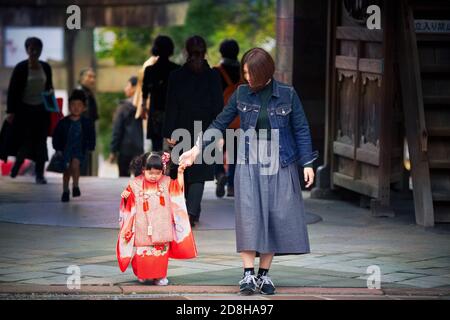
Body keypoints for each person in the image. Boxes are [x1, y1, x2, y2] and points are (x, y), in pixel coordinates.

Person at [180, 48, 318, 295]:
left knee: (274, 215)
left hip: (280, 161)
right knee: (249, 215)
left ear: (265, 72)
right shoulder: (241, 93)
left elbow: (301, 129)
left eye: (250, 73)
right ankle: (247, 274)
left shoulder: (287, 94)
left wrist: (307, 164)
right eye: (244, 73)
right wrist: (195, 149)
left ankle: (264, 275)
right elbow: (219, 123)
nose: (247, 78)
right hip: (248, 160)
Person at [163, 35, 224, 227]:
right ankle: (192, 213)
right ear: (205, 52)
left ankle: (184, 211)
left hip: (180, 128)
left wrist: (168, 132)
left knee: (181, 170)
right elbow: (218, 106)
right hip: (206, 130)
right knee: (200, 173)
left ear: (186, 52)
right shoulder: (213, 75)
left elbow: (171, 106)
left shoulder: (175, 75)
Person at [117, 152, 197, 285]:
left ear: (163, 171)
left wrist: (180, 173)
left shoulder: (166, 182)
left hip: (162, 224)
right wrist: (125, 196)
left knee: (161, 252)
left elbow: (178, 189)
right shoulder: (135, 183)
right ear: (143, 169)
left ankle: (160, 276)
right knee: (144, 250)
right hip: (142, 224)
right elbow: (128, 201)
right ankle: (143, 273)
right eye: (150, 172)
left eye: (157, 173)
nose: (154, 176)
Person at [6, 37, 54, 184]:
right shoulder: (20, 67)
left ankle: (40, 174)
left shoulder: (45, 67)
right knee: (25, 142)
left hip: (41, 110)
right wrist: (11, 112)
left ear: (41, 50)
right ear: (27, 50)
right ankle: (18, 164)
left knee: (41, 142)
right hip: (24, 110)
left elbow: (49, 87)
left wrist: (53, 109)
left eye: (37, 49)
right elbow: (12, 90)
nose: (34, 51)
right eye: (31, 48)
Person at [52, 89, 96, 202]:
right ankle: (65, 191)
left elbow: (91, 135)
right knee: (66, 171)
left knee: (75, 166)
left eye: (79, 105)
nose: (76, 107)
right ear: (69, 106)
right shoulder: (63, 122)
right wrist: (57, 147)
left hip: (79, 149)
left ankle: (75, 186)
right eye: (73, 105)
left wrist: (91, 146)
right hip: (65, 150)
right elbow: (56, 136)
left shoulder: (87, 122)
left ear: (84, 107)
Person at [213, 39, 242, 198]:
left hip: (221, 118)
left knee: (216, 149)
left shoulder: (216, 72)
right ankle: (232, 186)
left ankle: (219, 173)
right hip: (238, 119)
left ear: (221, 52)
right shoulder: (243, 72)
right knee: (235, 152)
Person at [142, 35, 180, 152]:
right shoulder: (177, 69)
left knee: (157, 149)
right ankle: (172, 170)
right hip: (173, 115)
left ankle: (158, 169)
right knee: (173, 148)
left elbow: (145, 92)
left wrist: (144, 108)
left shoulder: (150, 70)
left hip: (156, 114)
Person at [109, 76, 144, 177]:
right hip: (139, 150)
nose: (125, 89)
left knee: (123, 181)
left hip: (125, 150)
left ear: (134, 88)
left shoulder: (123, 107)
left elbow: (117, 130)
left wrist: (113, 150)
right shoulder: (143, 108)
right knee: (139, 180)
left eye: (127, 86)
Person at [77, 67, 98, 176]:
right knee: (82, 164)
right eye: (89, 76)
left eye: (93, 77)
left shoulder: (89, 93)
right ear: (81, 78)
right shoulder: (79, 92)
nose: (92, 79)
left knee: (85, 163)